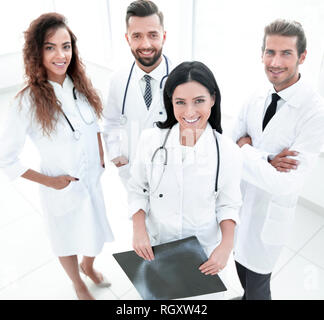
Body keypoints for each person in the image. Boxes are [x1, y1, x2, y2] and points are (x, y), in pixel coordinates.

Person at [0, 13, 114, 300]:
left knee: (95, 232)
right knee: (66, 240)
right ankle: (78, 282)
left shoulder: (81, 86)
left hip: (91, 181)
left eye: (66, 46)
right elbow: (7, 158)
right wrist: (50, 182)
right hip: (60, 188)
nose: (61, 55)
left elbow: (94, 126)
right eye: (50, 47)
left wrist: (100, 157)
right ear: (36, 52)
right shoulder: (26, 100)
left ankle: (89, 266)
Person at [128, 61, 242, 298]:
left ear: (213, 98)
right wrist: (139, 229)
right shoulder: (151, 141)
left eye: (199, 101)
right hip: (159, 248)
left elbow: (228, 203)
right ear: (171, 102)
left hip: (204, 255)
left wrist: (226, 245)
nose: (189, 112)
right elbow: (137, 188)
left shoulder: (227, 150)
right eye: (180, 102)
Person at [231, 19, 324, 300]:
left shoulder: (314, 112)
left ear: (302, 57)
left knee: (259, 285)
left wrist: (246, 150)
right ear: (262, 54)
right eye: (270, 52)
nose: (275, 61)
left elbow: (285, 184)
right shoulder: (256, 95)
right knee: (241, 268)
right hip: (240, 205)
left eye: (286, 53)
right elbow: (230, 142)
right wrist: (267, 159)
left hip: (269, 216)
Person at [102, 0, 172, 187]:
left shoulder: (182, 78)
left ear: (163, 36)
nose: (146, 44)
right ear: (127, 39)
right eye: (137, 36)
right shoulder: (117, 80)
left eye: (153, 35)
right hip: (132, 174)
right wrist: (116, 155)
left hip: (171, 176)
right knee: (137, 215)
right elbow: (110, 121)